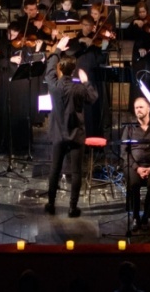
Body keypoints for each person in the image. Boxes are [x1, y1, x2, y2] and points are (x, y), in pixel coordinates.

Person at [43, 39, 98, 217]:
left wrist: (57, 50)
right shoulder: (79, 88)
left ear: (60, 68)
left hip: (58, 134)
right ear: (73, 70)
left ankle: (51, 204)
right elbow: (93, 98)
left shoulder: (54, 86)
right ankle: (72, 207)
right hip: (76, 134)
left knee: (55, 169)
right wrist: (86, 81)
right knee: (76, 172)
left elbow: (49, 70)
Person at [121, 97, 150, 231]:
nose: (138, 110)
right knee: (134, 184)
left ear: (148, 109)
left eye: (141, 107)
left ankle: (146, 215)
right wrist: (137, 168)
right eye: (136, 108)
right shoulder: (129, 128)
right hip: (134, 165)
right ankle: (135, 216)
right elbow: (124, 151)